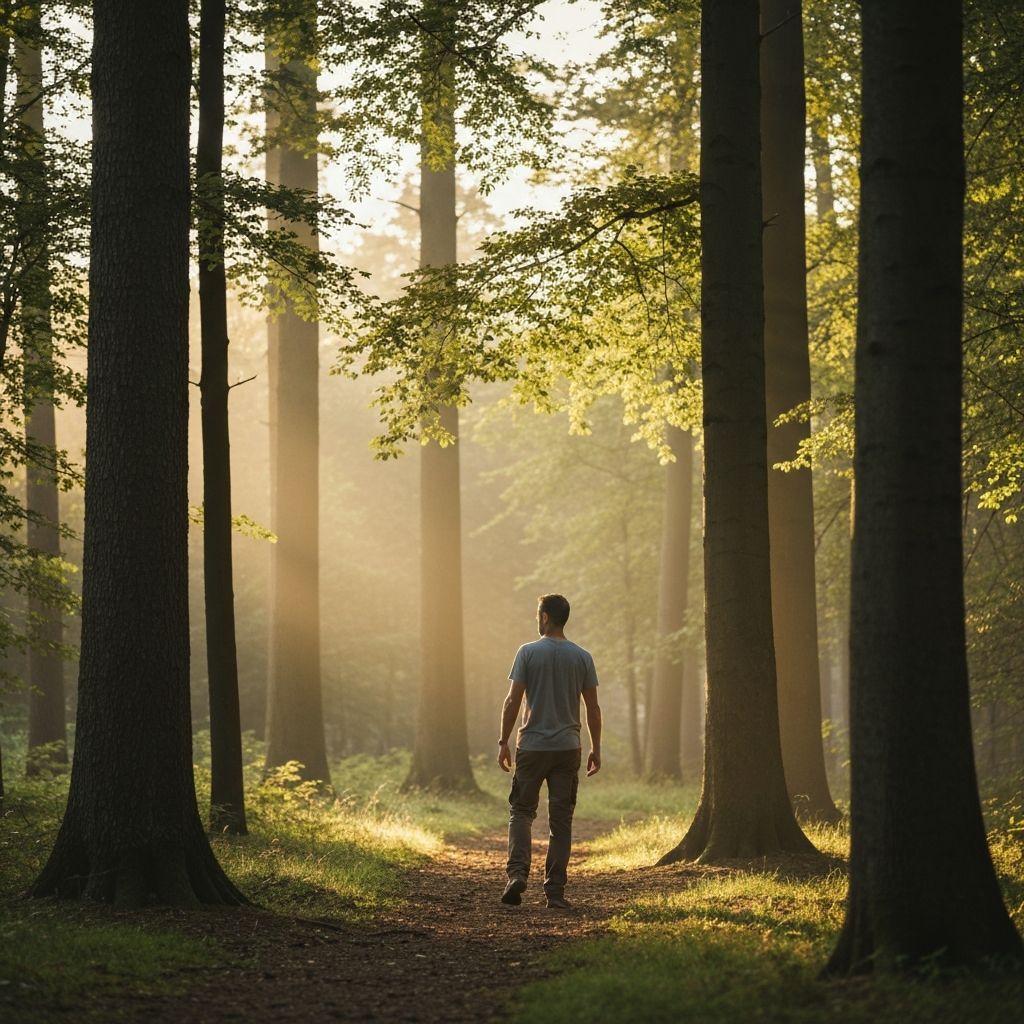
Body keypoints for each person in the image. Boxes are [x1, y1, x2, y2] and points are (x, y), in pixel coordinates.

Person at [497, 593, 602, 910]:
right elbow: (593, 708)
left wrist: (503, 741)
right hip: (567, 748)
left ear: (544, 617)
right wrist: (596, 748)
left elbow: (512, 700)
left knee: (521, 812)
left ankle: (517, 875)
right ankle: (554, 892)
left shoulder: (527, 652)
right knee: (561, 823)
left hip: (531, 747)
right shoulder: (582, 657)